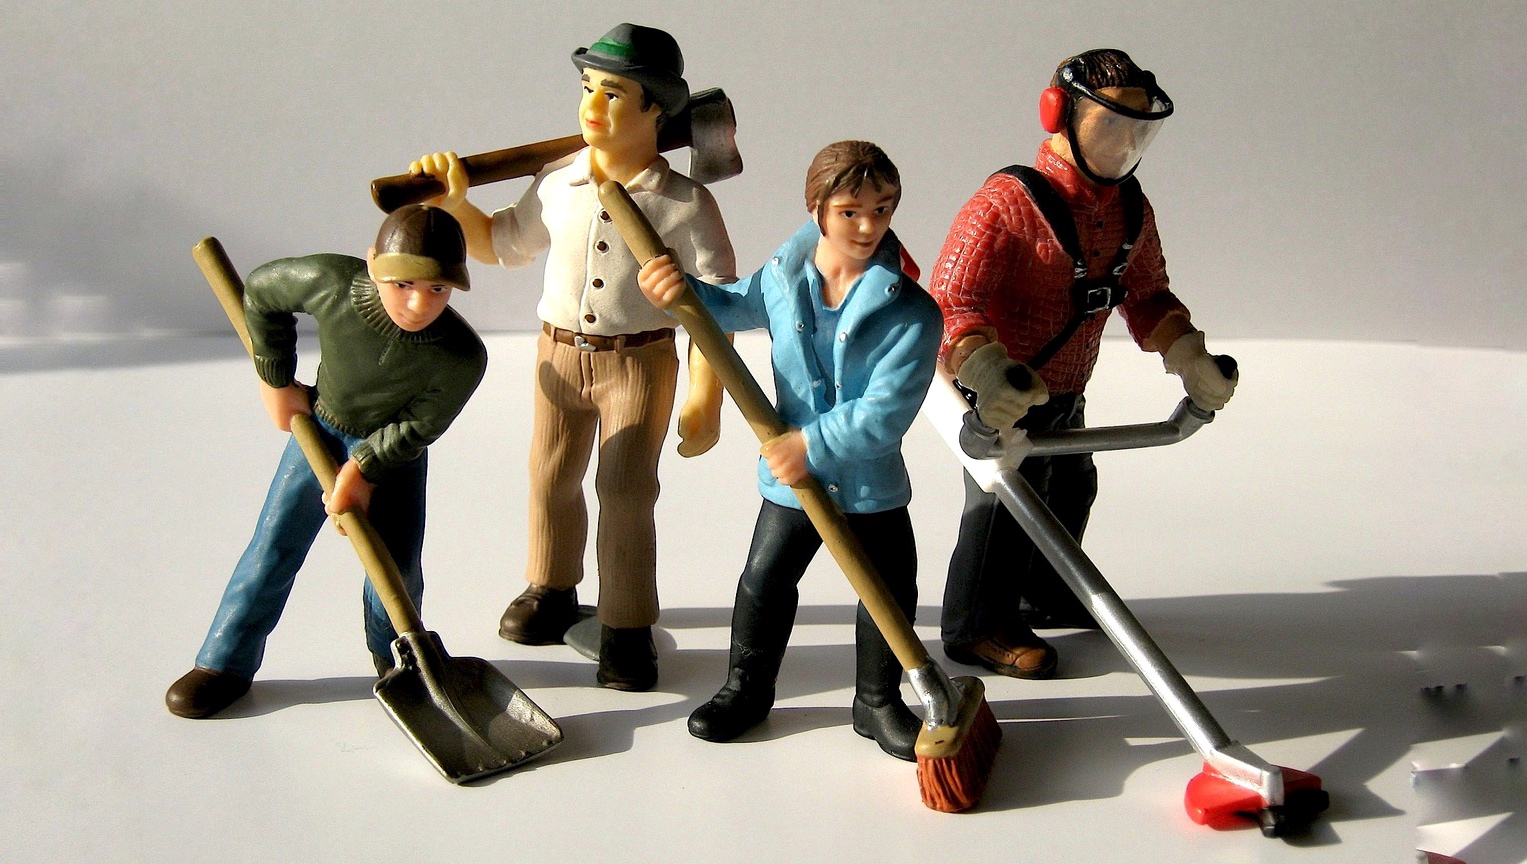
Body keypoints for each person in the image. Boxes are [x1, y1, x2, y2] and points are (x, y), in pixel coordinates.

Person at [411, 24, 737, 692]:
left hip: (638, 364)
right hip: (557, 358)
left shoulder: (685, 204)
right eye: (587, 87)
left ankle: (626, 625)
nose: (591, 106)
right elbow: (502, 243)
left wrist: (705, 395)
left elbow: (716, 309)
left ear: (656, 109)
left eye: (613, 94)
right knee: (550, 474)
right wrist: (456, 205)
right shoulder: (558, 182)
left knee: (625, 492)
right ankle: (551, 587)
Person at [931, 49, 1238, 680]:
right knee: (1005, 506)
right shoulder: (1005, 203)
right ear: (1059, 114)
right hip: (1003, 398)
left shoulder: (1130, 210)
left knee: (1071, 488)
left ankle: (1046, 592)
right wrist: (986, 371)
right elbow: (951, 303)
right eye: (1111, 125)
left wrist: (1190, 357)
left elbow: (1147, 296)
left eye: (1139, 130)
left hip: (1067, 393)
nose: (1126, 144)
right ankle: (977, 626)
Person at [638, 141, 941, 760]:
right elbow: (732, 307)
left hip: (868, 483)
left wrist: (812, 443)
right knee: (764, 581)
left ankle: (878, 701)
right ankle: (746, 689)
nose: (868, 226)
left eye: (882, 210)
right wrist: (680, 291)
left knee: (888, 593)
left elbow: (886, 413)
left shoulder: (913, 314)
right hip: (791, 484)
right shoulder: (782, 276)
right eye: (851, 211)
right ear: (817, 207)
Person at [166, 204, 488, 718]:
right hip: (320, 431)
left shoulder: (461, 357)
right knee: (273, 546)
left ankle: (397, 659)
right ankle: (224, 662)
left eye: (437, 289)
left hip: (396, 460)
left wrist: (363, 470)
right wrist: (275, 377)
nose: (418, 303)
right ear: (373, 264)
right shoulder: (332, 284)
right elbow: (263, 291)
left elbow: (419, 426)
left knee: (396, 569)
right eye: (402, 283)